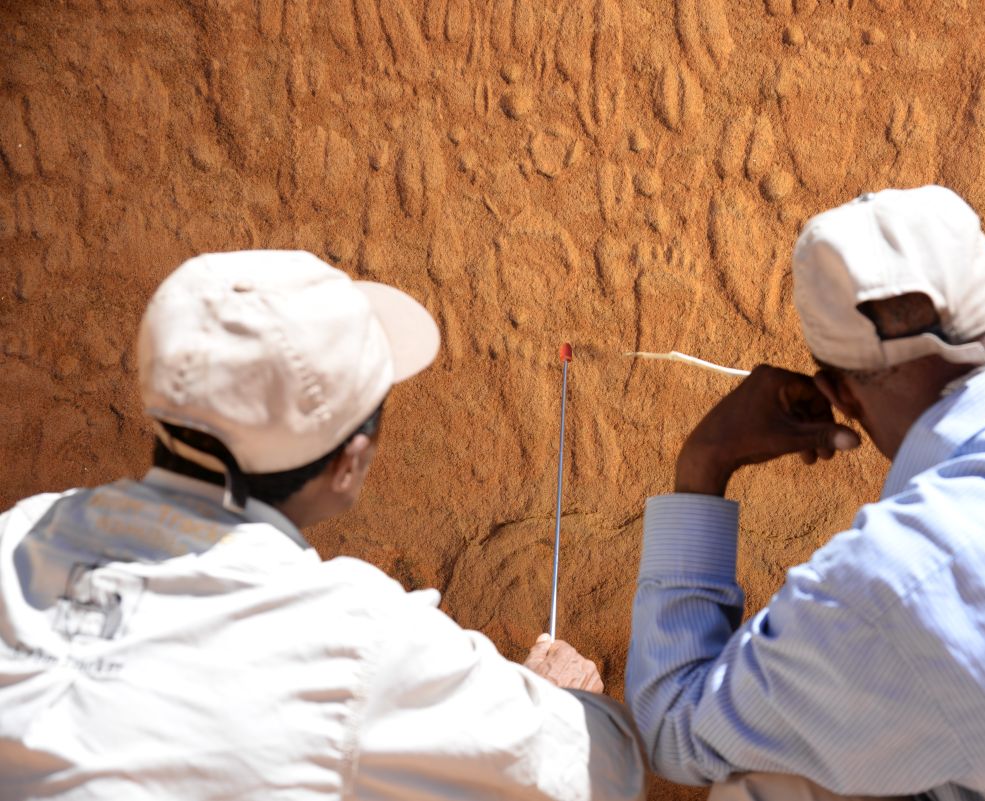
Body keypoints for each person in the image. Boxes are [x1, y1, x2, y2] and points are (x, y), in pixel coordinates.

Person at [0, 250, 646, 800]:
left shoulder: (22, 535)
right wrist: (550, 696)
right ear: (349, 462)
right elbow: (603, 767)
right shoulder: (355, 636)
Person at [625, 186, 985, 800]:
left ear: (839, 398)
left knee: (768, 784)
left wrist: (704, 463)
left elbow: (675, 725)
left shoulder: (888, 579)